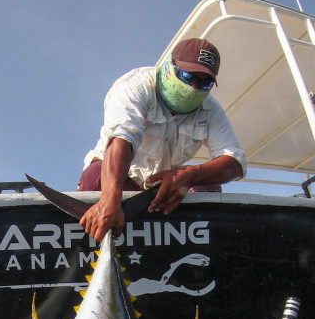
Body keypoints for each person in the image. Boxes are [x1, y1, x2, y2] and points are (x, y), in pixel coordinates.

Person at [78, 38, 247, 241]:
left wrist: (190, 175)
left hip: (164, 196)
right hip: (121, 184)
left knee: (207, 186)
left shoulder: (210, 109)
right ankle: (97, 228)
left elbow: (236, 162)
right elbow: (123, 136)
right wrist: (110, 197)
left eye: (205, 82)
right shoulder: (137, 87)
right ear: (169, 66)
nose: (194, 86)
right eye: (188, 76)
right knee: (96, 173)